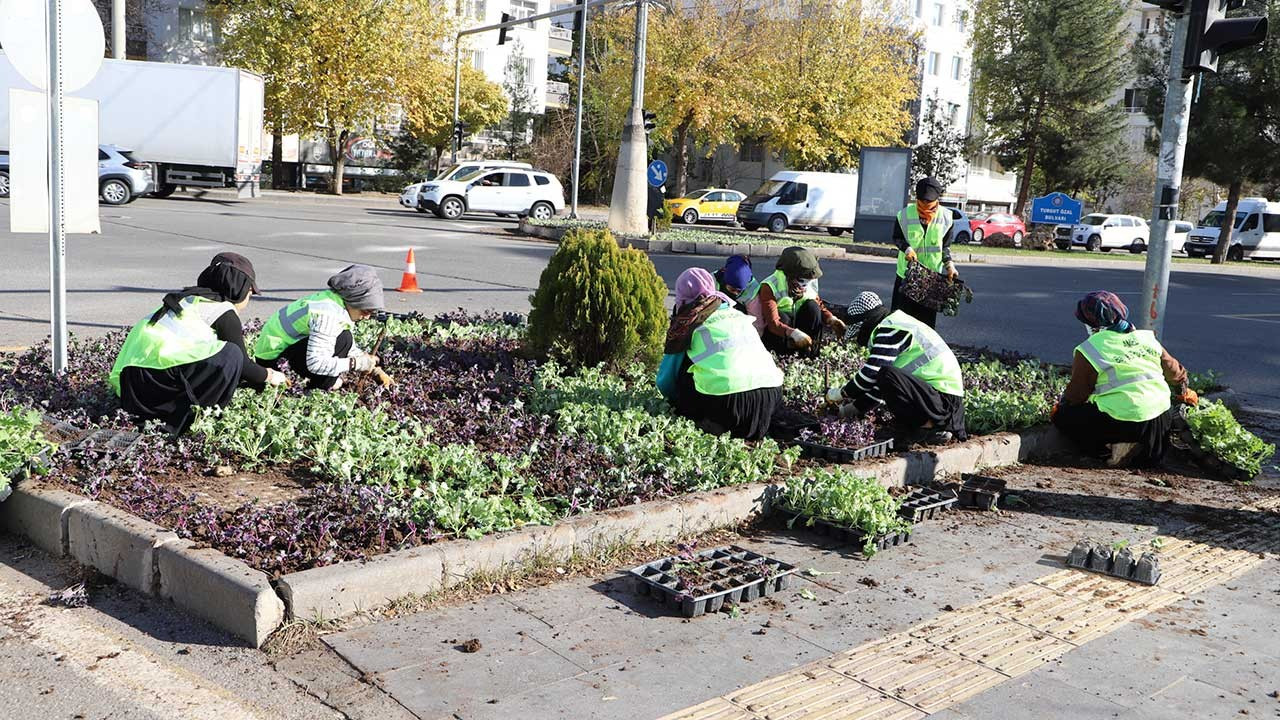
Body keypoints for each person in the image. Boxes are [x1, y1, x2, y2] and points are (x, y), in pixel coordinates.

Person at [108, 252, 288, 434]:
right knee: (231, 355)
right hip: (156, 388)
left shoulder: (188, 299)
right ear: (241, 288)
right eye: (251, 293)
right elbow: (243, 366)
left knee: (220, 356)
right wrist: (271, 376)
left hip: (130, 386)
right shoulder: (223, 311)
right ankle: (189, 423)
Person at [1053, 291, 1194, 467]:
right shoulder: (1147, 339)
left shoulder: (1091, 348)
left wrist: (1061, 407)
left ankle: (1111, 451)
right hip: (1160, 421)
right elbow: (1176, 373)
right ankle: (1137, 448)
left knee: (1063, 416)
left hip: (1125, 422)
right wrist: (1183, 391)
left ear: (1091, 323)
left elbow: (1076, 395)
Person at [657, 268, 784, 440]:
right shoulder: (735, 314)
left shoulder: (688, 324)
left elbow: (665, 381)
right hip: (770, 399)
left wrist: (675, 403)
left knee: (683, 370)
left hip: (730, 406)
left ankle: (710, 422)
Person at [826, 291, 966, 446]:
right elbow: (880, 389)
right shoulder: (896, 322)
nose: (860, 339)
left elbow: (870, 375)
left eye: (858, 332)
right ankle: (930, 425)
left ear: (866, 323)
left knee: (886, 374)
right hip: (943, 402)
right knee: (886, 376)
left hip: (943, 403)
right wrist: (848, 411)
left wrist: (838, 394)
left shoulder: (890, 330)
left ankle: (930, 428)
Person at [253, 264, 385, 390]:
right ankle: (315, 392)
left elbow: (346, 347)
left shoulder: (333, 301)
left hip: (276, 354)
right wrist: (357, 364)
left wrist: (373, 368)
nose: (367, 317)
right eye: (366, 311)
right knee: (344, 339)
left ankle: (322, 383)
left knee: (344, 339)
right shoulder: (328, 315)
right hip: (274, 364)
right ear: (354, 300)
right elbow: (317, 363)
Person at [747, 246, 847, 356]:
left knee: (812, 308)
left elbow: (817, 303)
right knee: (783, 316)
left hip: (800, 326)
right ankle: (782, 357)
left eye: (809, 281)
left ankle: (810, 355)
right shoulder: (770, 286)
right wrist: (793, 333)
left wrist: (830, 318)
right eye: (801, 281)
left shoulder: (810, 281)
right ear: (790, 275)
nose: (805, 285)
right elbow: (773, 323)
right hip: (779, 332)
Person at [892, 177, 957, 328]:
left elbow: (945, 247)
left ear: (937, 199)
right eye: (921, 201)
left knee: (925, 326)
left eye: (929, 202)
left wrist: (950, 265)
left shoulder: (946, 218)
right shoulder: (904, 215)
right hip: (906, 277)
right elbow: (897, 238)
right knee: (901, 322)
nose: (925, 205)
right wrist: (907, 249)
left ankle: (921, 352)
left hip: (930, 279)